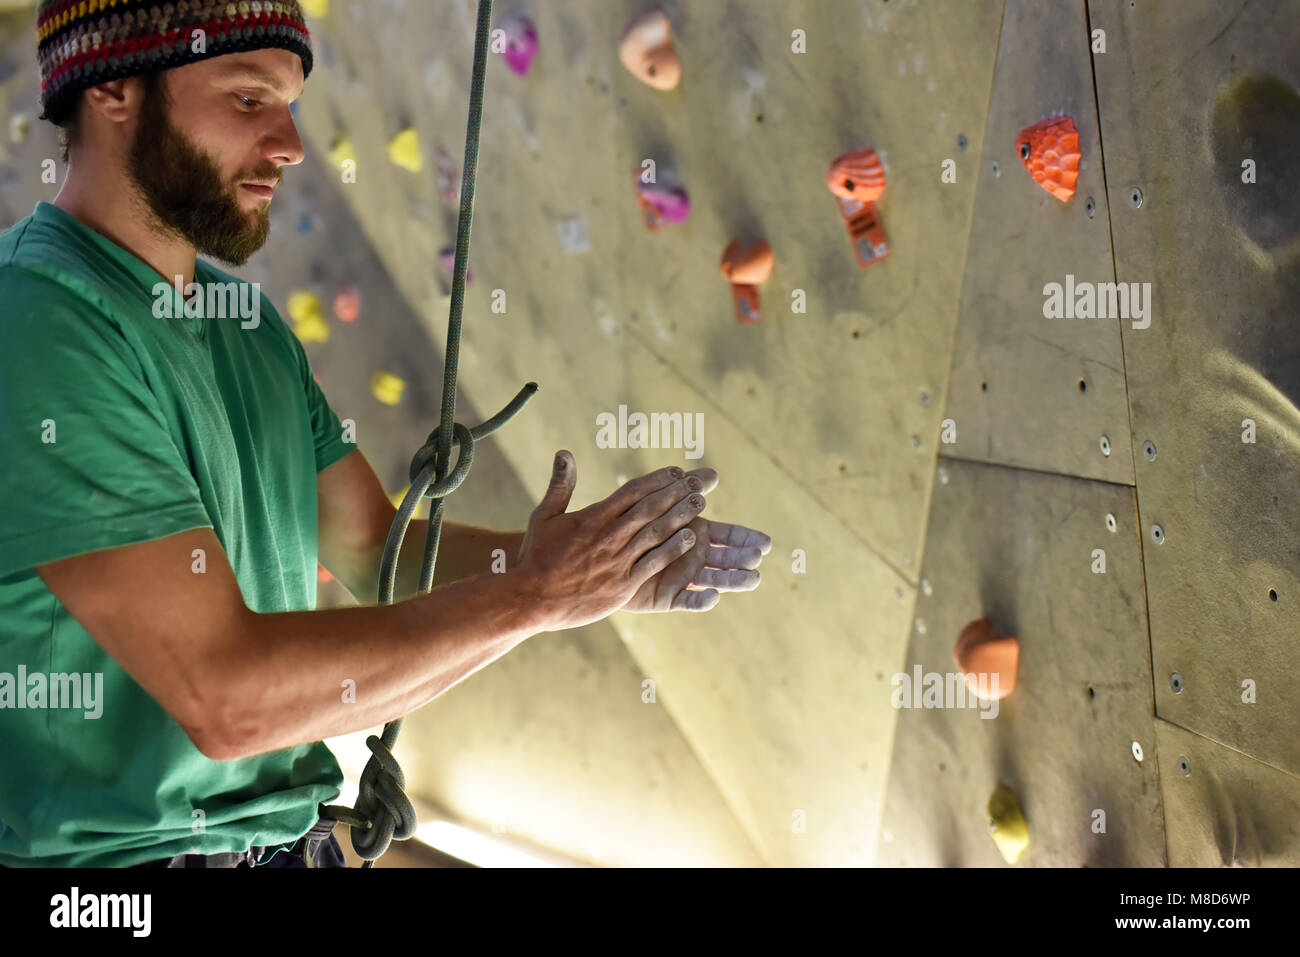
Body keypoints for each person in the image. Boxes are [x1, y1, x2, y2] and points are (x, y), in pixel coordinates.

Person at [0, 1, 771, 868]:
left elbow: (376, 550)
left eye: (291, 102)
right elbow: (225, 697)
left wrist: (583, 563)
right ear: (112, 91)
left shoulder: (244, 329)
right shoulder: (38, 322)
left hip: (281, 847)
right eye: (249, 99)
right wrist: (536, 595)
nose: (290, 142)